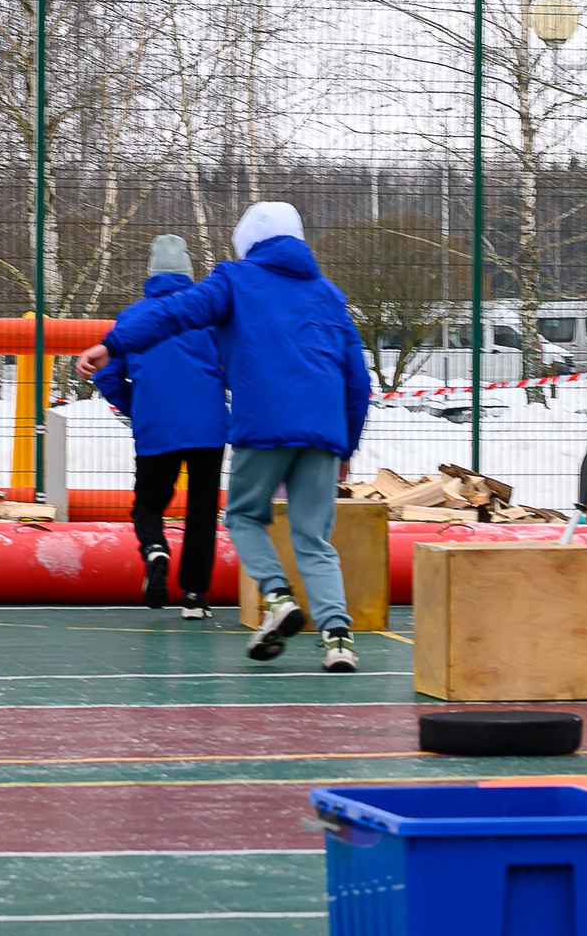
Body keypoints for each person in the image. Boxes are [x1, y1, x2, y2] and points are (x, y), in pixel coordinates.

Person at [76, 203, 370, 672]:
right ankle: (338, 637)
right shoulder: (329, 294)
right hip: (324, 431)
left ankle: (277, 597)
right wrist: (348, 444)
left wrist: (112, 344)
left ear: (248, 243)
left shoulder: (234, 280)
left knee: (244, 516)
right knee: (314, 538)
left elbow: (173, 313)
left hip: (265, 426)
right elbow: (357, 377)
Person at [92, 235, 231, 619]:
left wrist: (135, 404)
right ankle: (194, 597)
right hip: (208, 427)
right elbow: (233, 367)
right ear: (189, 275)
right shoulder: (207, 317)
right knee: (201, 512)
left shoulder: (133, 317)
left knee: (148, 505)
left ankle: (154, 549)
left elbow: (107, 372)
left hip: (156, 427)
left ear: (150, 275)